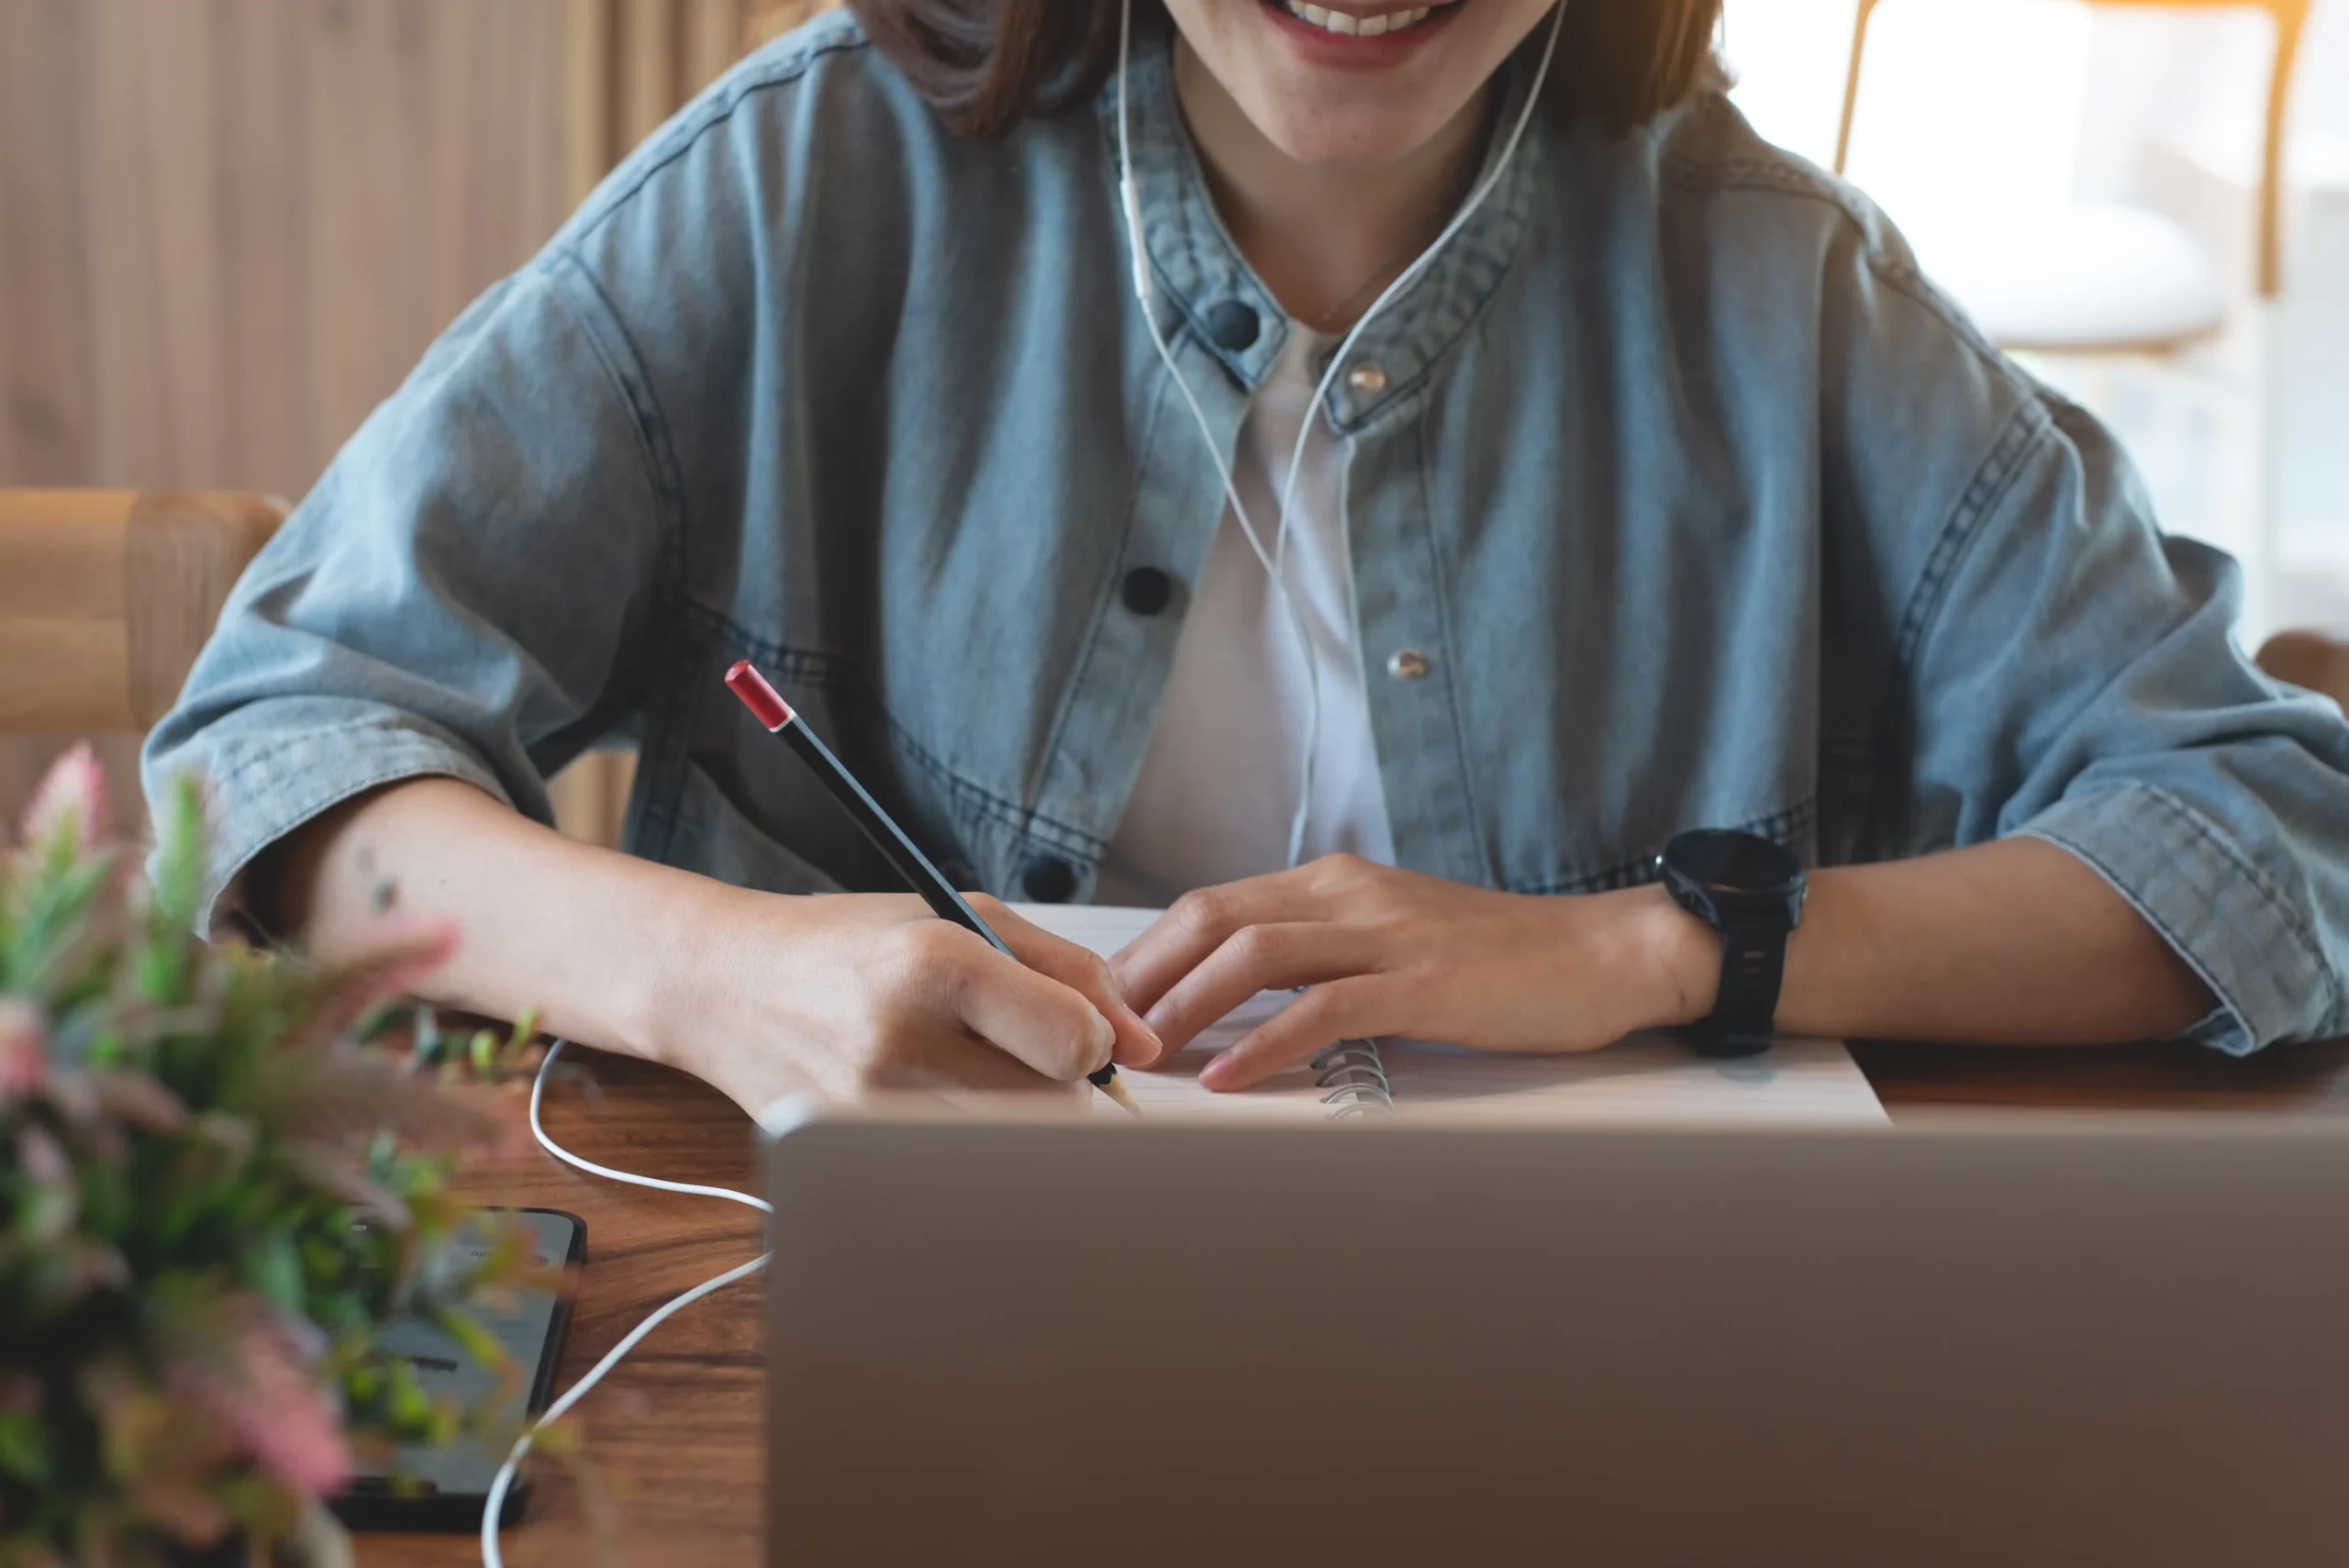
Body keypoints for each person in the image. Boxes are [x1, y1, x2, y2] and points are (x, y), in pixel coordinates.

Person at [146, 0, 2349, 1114]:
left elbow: (2262, 833)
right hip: (878, 1380)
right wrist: (726, 974)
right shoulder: (800, 187)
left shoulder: (1787, 299)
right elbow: (276, 750)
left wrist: (1654, 951)